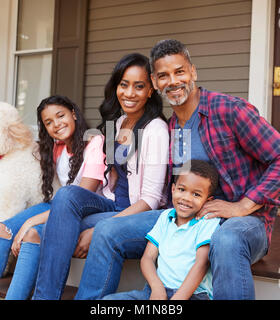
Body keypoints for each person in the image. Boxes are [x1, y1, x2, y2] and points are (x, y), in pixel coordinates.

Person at [75, 39, 280, 300]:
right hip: (188, 218)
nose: (173, 81)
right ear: (155, 81)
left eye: (179, 71)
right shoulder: (172, 128)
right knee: (107, 231)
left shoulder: (228, 110)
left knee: (226, 240)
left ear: (193, 72)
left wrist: (241, 206)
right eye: (163, 75)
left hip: (243, 223)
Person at [31, 53, 169, 300]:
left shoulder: (155, 129)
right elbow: (109, 181)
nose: (130, 93)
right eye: (124, 84)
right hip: (112, 204)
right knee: (67, 195)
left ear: (150, 90)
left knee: (63, 230)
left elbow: (151, 199)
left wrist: (102, 226)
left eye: (139, 86)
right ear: (116, 86)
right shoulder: (116, 122)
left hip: (140, 214)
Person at [0, 95, 105, 300]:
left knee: (33, 232)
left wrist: (28, 223)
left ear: (74, 114)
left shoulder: (94, 142)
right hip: (58, 207)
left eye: (61, 116)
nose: (56, 124)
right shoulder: (54, 147)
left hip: (86, 209)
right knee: (2, 229)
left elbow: (79, 198)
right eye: (49, 122)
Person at [103, 160, 220, 300]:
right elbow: (148, 257)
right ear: (173, 189)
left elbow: (202, 263)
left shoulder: (207, 221)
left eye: (196, 194)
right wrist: (157, 288)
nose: (186, 198)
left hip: (193, 295)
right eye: (182, 190)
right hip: (158, 292)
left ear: (208, 201)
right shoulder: (166, 217)